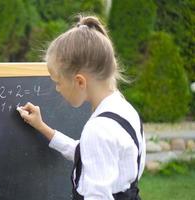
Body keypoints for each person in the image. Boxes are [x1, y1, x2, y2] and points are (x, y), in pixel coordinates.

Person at [17, 15, 146, 200]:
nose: (57, 89)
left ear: (79, 81)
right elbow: (87, 153)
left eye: (58, 82)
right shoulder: (125, 110)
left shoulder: (98, 130)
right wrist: (42, 127)